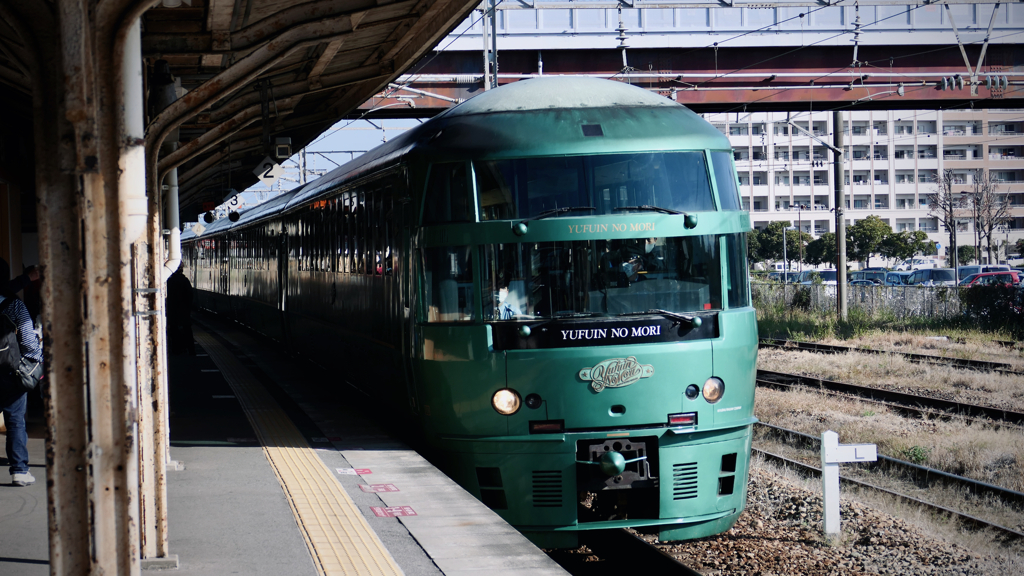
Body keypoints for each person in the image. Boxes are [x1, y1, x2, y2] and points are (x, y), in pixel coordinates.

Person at [0, 257, 43, 487]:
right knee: (16, 421)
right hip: (10, 375)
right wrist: (35, 364)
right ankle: (19, 470)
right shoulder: (14, 305)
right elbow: (28, 341)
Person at [165, 264, 195, 355]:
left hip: (172, 312)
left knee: (174, 332)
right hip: (184, 312)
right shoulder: (185, 281)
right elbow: (190, 296)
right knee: (187, 331)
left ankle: (176, 350)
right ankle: (191, 351)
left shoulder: (169, 281)